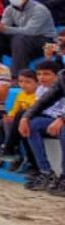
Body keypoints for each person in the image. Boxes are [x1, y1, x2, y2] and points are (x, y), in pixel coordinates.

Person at [0, 67, 42, 171]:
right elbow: (14, 109)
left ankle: (12, 153)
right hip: (18, 120)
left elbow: (33, 111)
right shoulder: (21, 94)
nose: (23, 85)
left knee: (10, 123)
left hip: (29, 120)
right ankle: (1, 153)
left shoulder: (38, 95)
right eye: (21, 81)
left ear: (37, 83)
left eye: (28, 82)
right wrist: (9, 116)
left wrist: (13, 118)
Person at [18, 59, 65, 193]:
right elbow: (47, 99)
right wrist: (26, 116)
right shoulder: (63, 76)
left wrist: (62, 119)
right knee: (32, 125)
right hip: (57, 118)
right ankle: (45, 172)